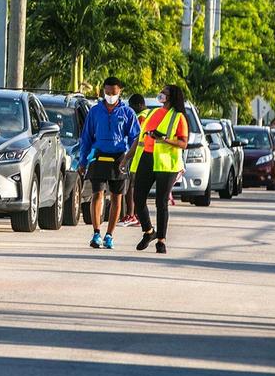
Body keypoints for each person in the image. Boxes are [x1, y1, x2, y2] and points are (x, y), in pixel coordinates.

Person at [77, 76, 140, 250]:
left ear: (120, 91)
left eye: (113, 92)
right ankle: (96, 232)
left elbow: (136, 136)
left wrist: (128, 156)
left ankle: (109, 235)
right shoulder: (95, 111)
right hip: (99, 156)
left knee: (116, 197)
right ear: (103, 91)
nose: (110, 95)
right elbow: (86, 137)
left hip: (119, 158)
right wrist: (82, 161)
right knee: (97, 194)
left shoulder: (127, 113)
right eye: (107, 92)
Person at [131, 84, 190, 254]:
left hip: (167, 163)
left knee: (161, 202)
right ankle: (149, 231)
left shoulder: (179, 117)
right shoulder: (153, 113)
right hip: (147, 158)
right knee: (138, 198)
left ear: (172, 97)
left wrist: (164, 139)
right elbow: (140, 137)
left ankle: (161, 241)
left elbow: (183, 143)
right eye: (161, 92)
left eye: (164, 93)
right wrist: (128, 157)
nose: (161, 94)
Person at [119, 93, 149, 226]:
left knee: (131, 186)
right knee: (137, 187)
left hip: (137, 155)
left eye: (132, 106)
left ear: (139, 105)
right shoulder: (150, 115)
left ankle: (131, 215)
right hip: (145, 155)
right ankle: (136, 215)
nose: (130, 109)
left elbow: (136, 137)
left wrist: (127, 156)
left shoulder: (141, 117)